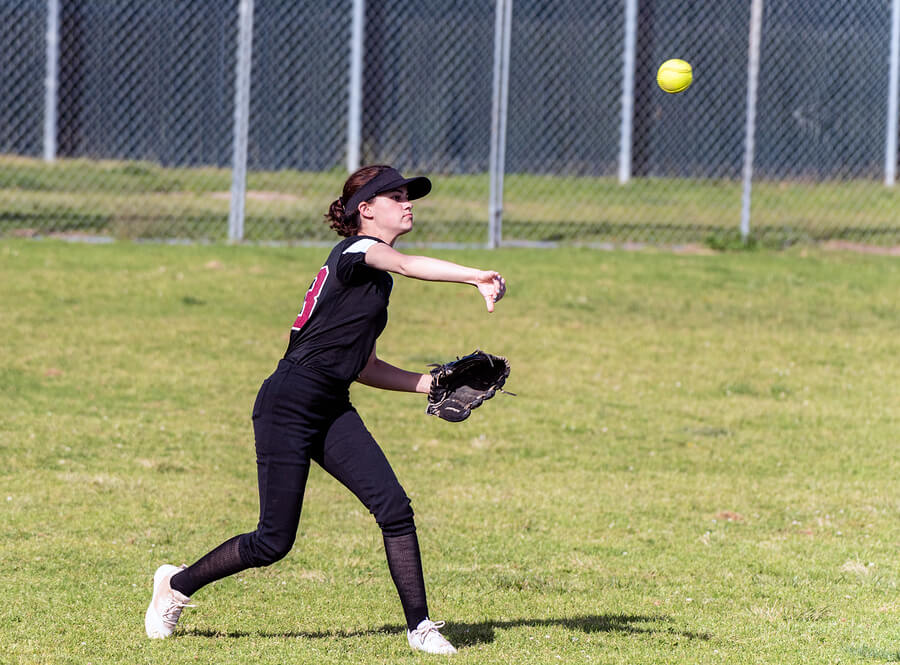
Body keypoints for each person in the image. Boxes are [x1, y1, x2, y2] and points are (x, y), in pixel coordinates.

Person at [145, 165, 507, 655]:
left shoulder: (375, 285)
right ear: (366, 209)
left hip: (332, 405)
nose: (407, 203)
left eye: (408, 196)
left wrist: (431, 384)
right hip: (287, 404)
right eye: (395, 196)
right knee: (272, 542)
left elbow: (365, 366)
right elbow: (406, 264)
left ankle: (420, 627)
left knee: (394, 508)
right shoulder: (356, 253)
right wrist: (474, 276)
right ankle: (175, 585)